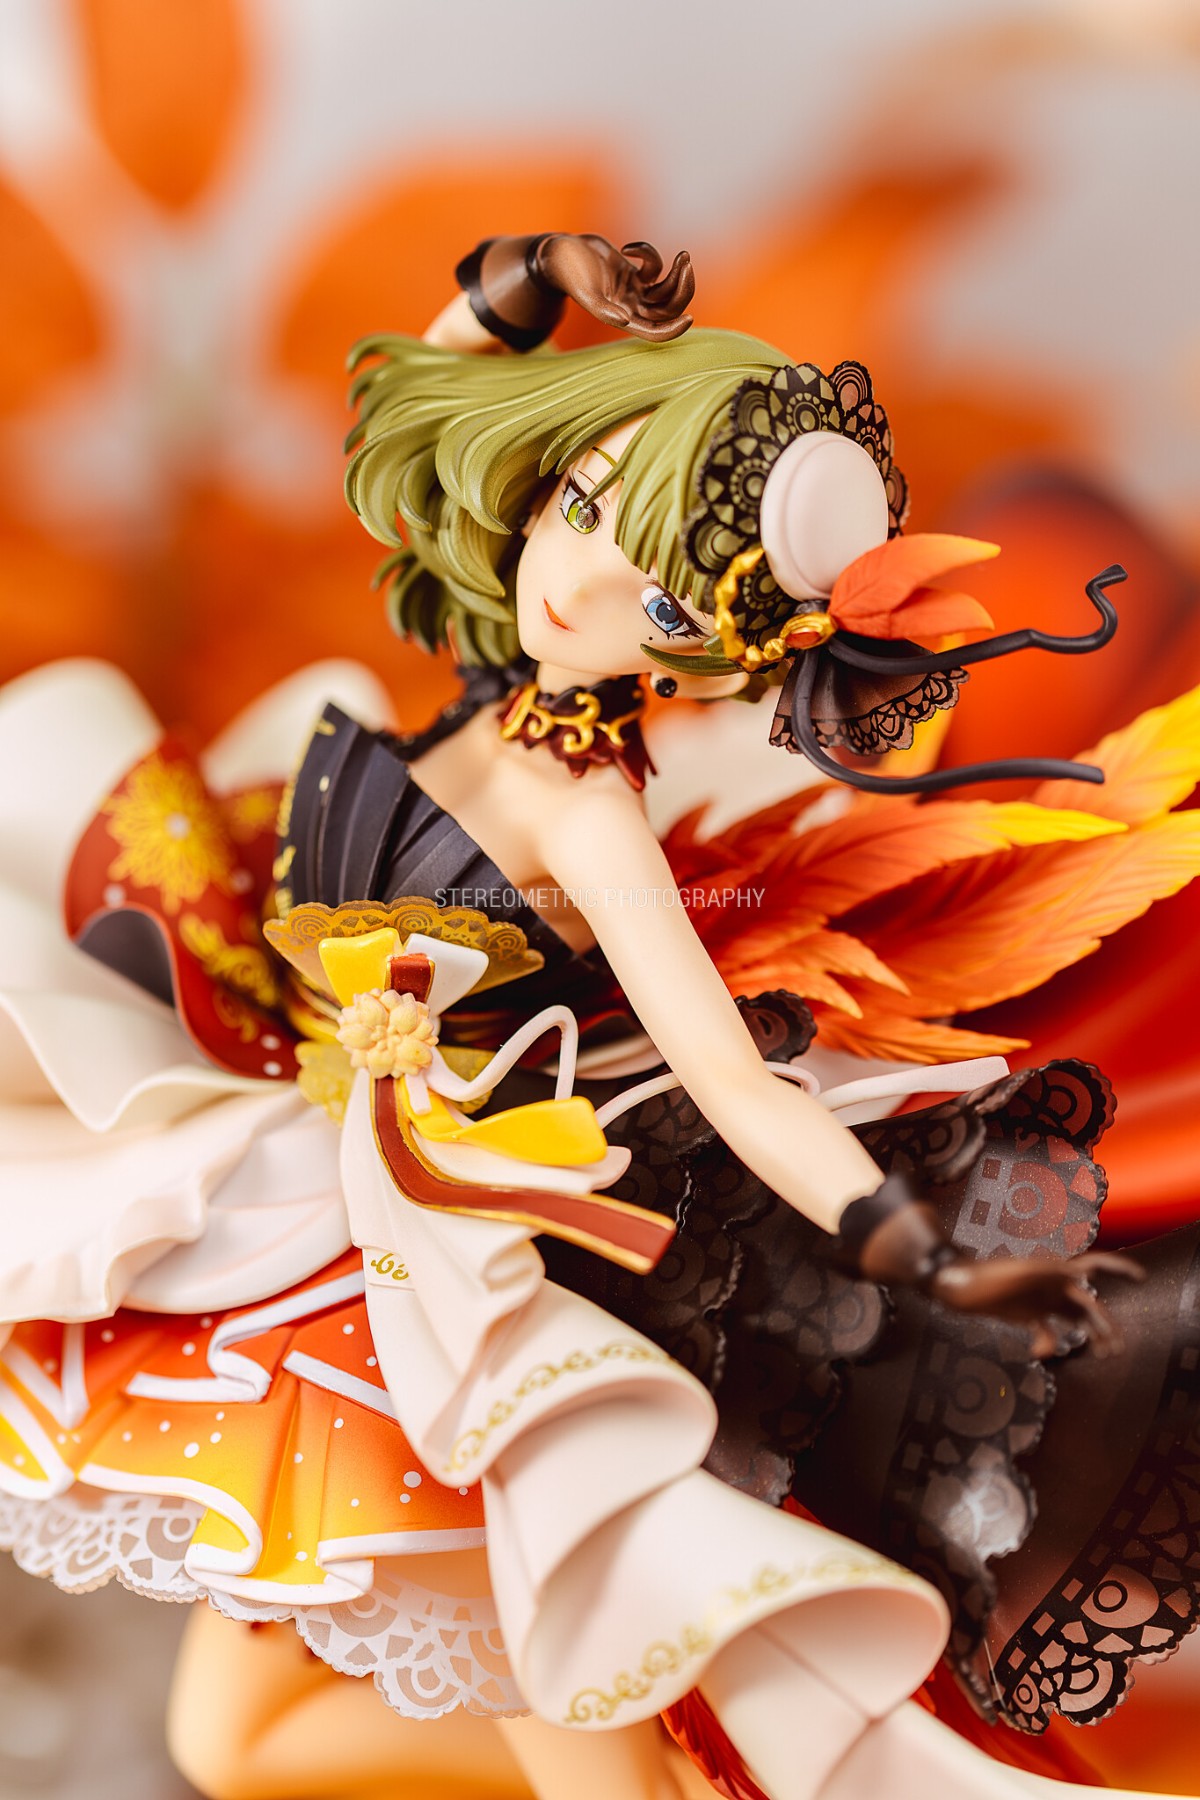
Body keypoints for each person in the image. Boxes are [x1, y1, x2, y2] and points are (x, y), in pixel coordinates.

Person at [1, 232, 1198, 1800]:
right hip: (308, 1197)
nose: (577, 580)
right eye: (581, 506)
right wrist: (538, 268)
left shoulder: (587, 812)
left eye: (654, 595)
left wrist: (916, 1248)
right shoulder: (498, 662)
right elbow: (417, 384)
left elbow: (731, 1076)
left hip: (458, 1276)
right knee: (229, 1742)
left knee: (563, 1718)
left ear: (711, 645)